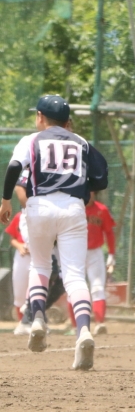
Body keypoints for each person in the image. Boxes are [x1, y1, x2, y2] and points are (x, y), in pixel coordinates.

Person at [0, 95, 108, 370]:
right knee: (74, 275)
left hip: (39, 207)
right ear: (66, 120)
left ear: (40, 116)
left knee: (40, 266)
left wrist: (5, 200)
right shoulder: (81, 142)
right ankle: (83, 331)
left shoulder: (31, 140)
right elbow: (101, 178)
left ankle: (38, 320)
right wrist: (82, 191)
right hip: (72, 208)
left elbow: (14, 167)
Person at [65, 192, 115, 335]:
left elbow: (109, 232)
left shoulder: (102, 210)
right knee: (74, 288)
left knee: (97, 287)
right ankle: (75, 326)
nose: (89, 193)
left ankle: (99, 323)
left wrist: (111, 253)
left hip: (95, 253)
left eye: (91, 190)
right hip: (75, 252)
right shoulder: (71, 209)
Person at [5, 210, 31, 335]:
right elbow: (12, 239)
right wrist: (20, 246)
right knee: (19, 291)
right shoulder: (20, 217)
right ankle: (22, 323)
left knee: (36, 290)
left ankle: (36, 322)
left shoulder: (45, 214)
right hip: (22, 256)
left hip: (39, 256)